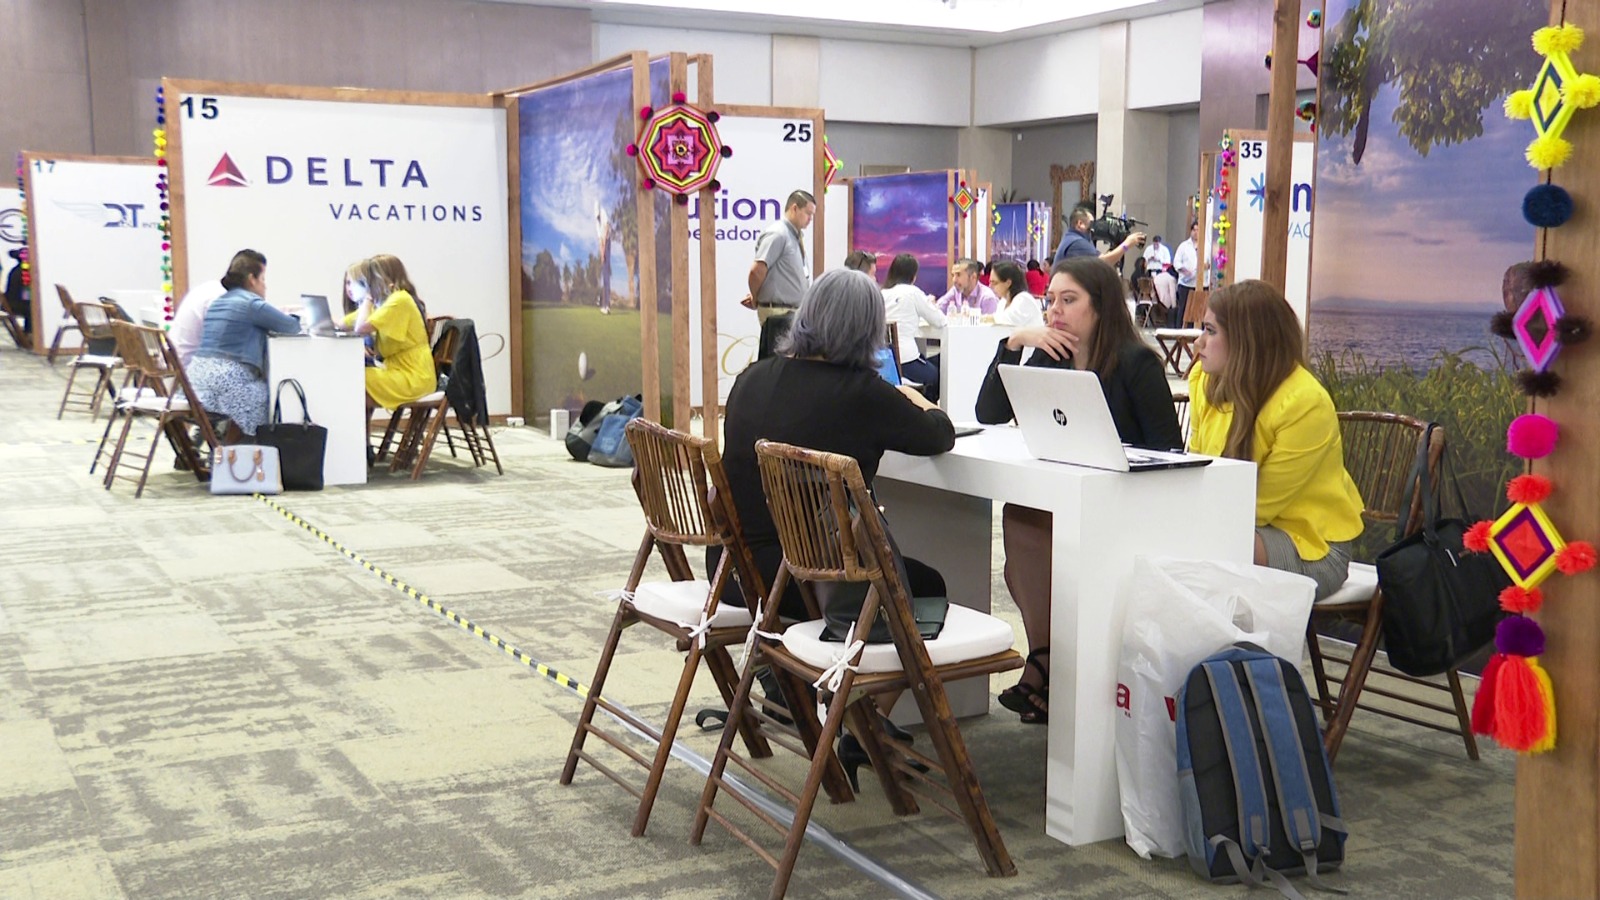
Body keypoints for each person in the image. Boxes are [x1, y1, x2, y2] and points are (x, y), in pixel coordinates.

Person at [717, 267, 955, 783]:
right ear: (869, 331)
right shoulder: (862, 392)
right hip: (813, 583)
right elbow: (939, 435)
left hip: (739, 573)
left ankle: (792, 683)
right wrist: (917, 399)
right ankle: (861, 722)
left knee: (882, 570)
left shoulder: (750, 380)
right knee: (924, 584)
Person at [974, 256, 1182, 724]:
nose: (1055, 312)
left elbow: (1169, 450)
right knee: (1020, 514)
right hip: (1070, 498)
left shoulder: (1136, 363)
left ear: (1101, 306)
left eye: (1069, 301)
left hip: (1128, 504)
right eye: (1051, 301)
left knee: (1031, 531)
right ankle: (1047, 662)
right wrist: (1014, 341)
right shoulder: (1053, 354)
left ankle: (1044, 669)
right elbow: (988, 411)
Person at [1190, 280, 1364, 599]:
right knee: (1187, 542)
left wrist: (1189, 517)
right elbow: (1196, 468)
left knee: (1208, 548)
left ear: (1247, 341)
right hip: (1232, 526)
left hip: (1312, 545)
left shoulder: (1305, 403)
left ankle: (1224, 647)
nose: (1198, 342)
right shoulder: (1205, 381)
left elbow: (1257, 508)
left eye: (1211, 331)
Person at [187, 250, 301, 440]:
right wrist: (295, 313)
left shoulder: (219, 301)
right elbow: (291, 327)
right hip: (226, 380)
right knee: (272, 397)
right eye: (263, 278)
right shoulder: (252, 303)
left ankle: (217, 442)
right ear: (252, 279)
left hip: (195, 380)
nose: (265, 285)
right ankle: (236, 452)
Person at [346, 254, 435, 413]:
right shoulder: (386, 302)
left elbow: (360, 328)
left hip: (414, 377)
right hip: (399, 372)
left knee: (354, 379)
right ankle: (360, 435)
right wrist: (300, 311)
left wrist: (368, 298)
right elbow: (342, 323)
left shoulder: (399, 300)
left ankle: (358, 436)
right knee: (353, 378)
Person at [746, 190, 815, 359]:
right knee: (778, 364)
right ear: (794, 208)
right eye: (808, 213)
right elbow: (757, 270)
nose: (810, 219)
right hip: (779, 313)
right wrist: (755, 297)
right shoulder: (778, 234)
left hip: (791, 313)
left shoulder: (794, 236)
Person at [880, 253, 946, 399]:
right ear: (913, 276)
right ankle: (928, 409)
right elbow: (940, 321)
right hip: (907, 362)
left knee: (930, 361)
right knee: (941, 370)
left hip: (887, 362)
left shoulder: (881, 294)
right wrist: (930, 304)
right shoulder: (913, 293)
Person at [168, 253, 243, 367]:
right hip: (186, 364)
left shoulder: (210, 287)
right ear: (251, 280)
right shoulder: (220, 298)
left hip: (174, 355)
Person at [1052, 206, 1145, 268]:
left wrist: (1117, 246)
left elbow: (1102, 257)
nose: (1094, 227)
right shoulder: (1077, 242)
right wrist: (1127, 245)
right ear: (1080, 224)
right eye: (1092, 223)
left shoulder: (1073, 238)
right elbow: (1103, 263)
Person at [989, 260, 1043, 329]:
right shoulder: (1003, 301)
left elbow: (1005, 322)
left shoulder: (1024, 300)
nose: (990, 286)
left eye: (994, 282)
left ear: (1008, 283)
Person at [1173, 221, 1200, 328]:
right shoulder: (1183, 246)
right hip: (1185, 283)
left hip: (1200, 283)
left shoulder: (1206, 245)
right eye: (1194, 230)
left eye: (1198, 230)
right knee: (1183, 308)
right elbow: (1176, 263)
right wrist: (1184, 271)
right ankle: (1180, 330)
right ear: (1191, 231)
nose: (1196, 233)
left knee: (1198, 309)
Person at [594, 200, 613, 315]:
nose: (597, 217)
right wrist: (601, 254)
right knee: (604, 275)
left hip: (608, 241)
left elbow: (606, 231)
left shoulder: (603, 212)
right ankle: (605, 305)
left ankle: (607, 306)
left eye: (598, 215)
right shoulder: (596, 221)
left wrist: (604, 249)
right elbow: (600, 239)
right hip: (604, 244)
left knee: (606, 276)